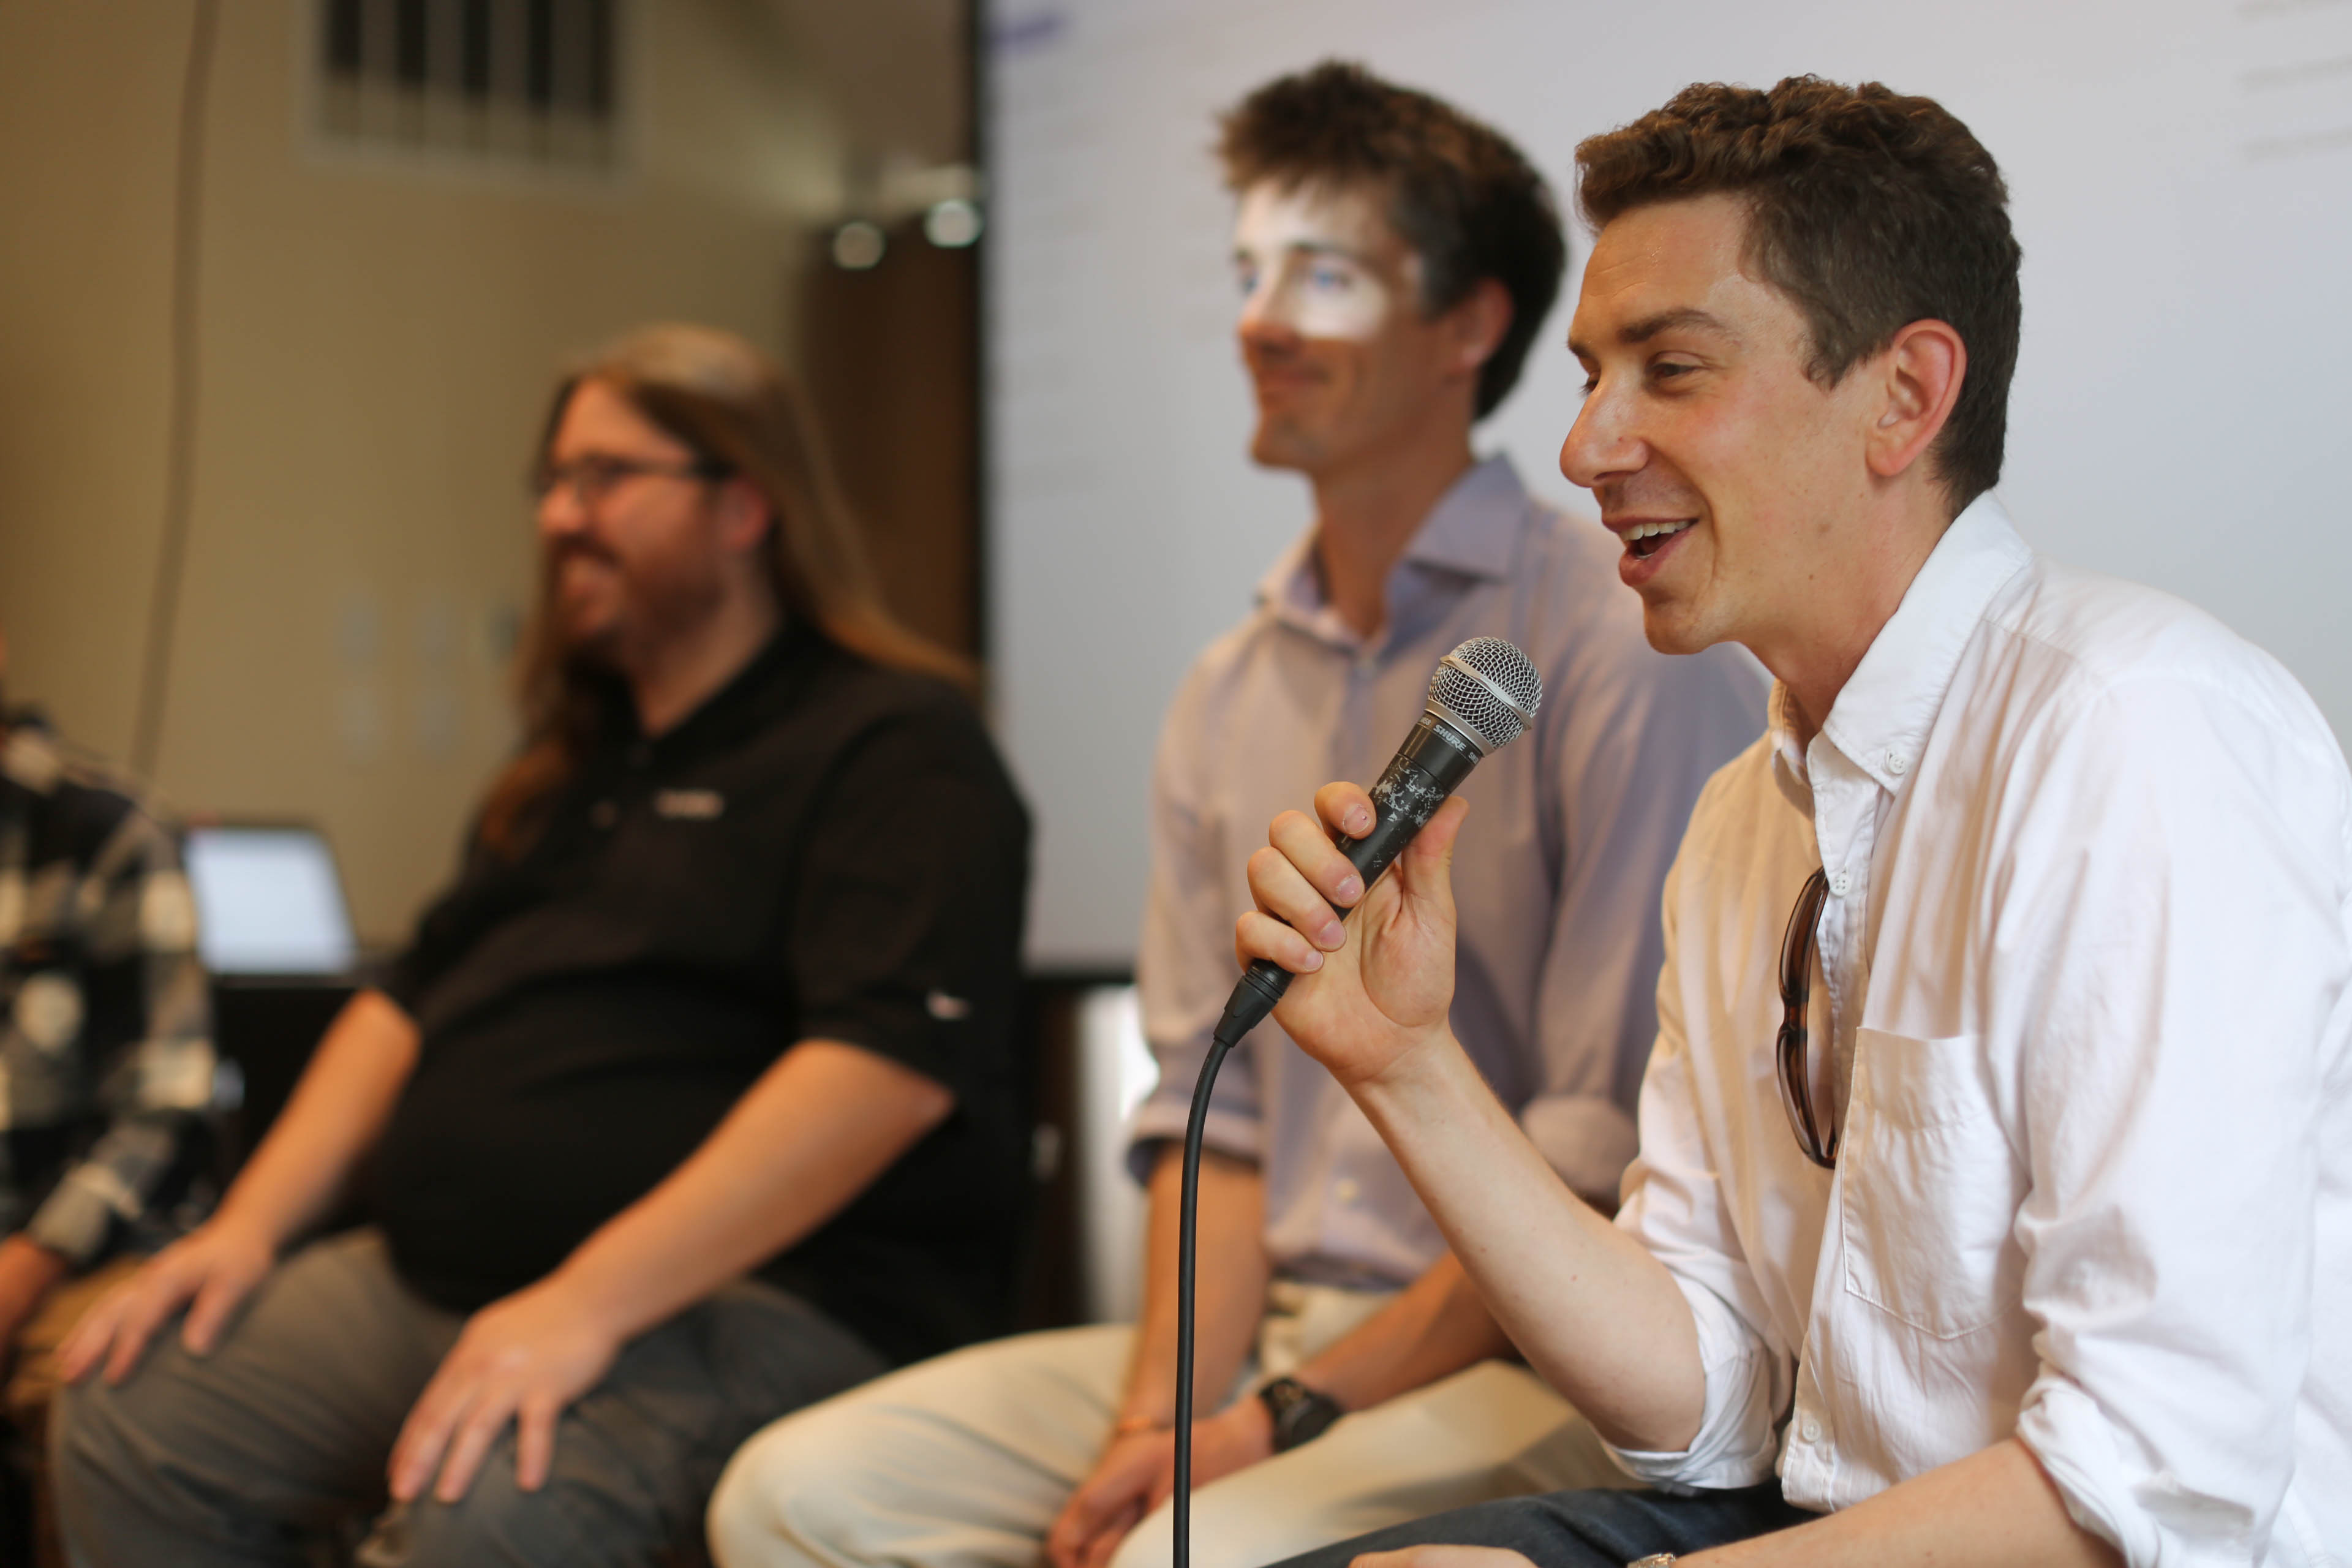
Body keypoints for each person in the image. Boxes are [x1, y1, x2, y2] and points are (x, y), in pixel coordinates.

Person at [1231, 77, 2350, 1567]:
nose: (1587, 448)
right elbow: (1707, 1396)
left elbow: (2155, 1475)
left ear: (1905, 396)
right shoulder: (1744, 818)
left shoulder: (2138, 730)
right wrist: (1407, 1065)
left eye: (1671, 371)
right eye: (1587, 377)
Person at [708, 63, 1763, 1568]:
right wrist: (1158, 1418)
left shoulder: (1610, 633)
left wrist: (1272, 1419)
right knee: (802, 1496)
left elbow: (1597, 1169)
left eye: (1324, 276)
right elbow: (1220, 1120)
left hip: (1523, 1348)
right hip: (1268, 1331)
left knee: (1176, 1550)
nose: (1261, 322)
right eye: (1251, 274)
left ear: (1468, 326)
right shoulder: (1226, 683)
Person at [47, 323, 1034, 1567]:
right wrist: (244, 1229)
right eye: (556, 481)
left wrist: (586, 1299)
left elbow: (882, 1071)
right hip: (462, 1280)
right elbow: (402, 1007)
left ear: (745, 506)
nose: (564, 515)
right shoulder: (565, 771)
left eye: (609, 477)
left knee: (496, 1499)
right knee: (135, 1409)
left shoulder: (895, 745)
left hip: (771, 1298)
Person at [0, 629, 216, 1553]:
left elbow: (161, 1111)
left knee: (94, 1393)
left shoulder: (102, 832)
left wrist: (19, 1272)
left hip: (76, 1258)